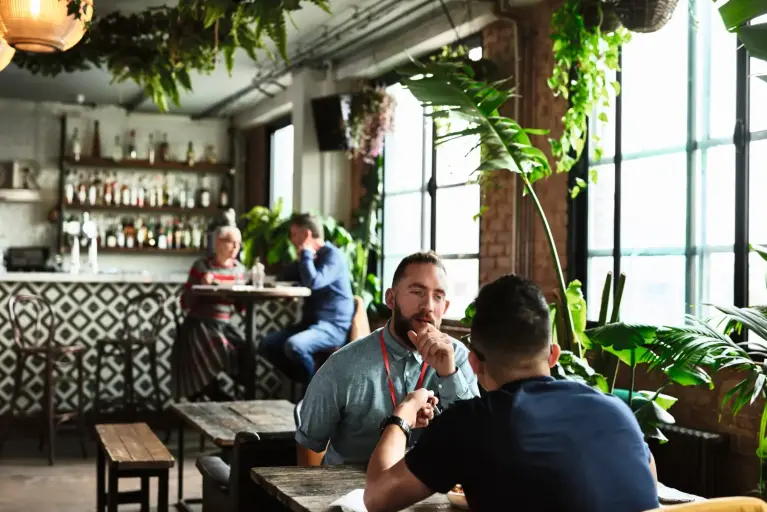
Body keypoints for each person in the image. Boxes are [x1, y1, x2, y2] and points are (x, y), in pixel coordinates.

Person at [363, 274, 660, 512]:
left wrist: (402, 415)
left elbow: (377, 498)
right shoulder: (618, 412)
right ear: (553, 355)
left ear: (475, 362)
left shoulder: (472, 424)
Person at [295, 251, 479, 465]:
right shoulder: (342, 366)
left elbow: (475, 440)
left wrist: (449, 374)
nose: (428, 306)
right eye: (417, 292)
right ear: (391, 299)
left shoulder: (458, 358)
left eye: (438, 296)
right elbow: (308, 446)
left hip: (431, 493)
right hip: (353, 493)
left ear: (445, 307)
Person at [258, 213, 355, 383]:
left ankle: (313, 394)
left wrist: (307, 255)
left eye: (294, 234)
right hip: (310, 325)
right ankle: (309, 385)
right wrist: (300, 260)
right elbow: (283, 276)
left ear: (307, 235)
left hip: (333, 326)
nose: (291, 239)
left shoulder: (334, 256)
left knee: (295, 346)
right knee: (267, 345)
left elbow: (314, 282)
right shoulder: (309, 258)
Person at [172, 225, 252, 402]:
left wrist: (248, 286)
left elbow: (241, 308)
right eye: (231, 242)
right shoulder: (201, 266)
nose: (236, 248)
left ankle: (244, 398)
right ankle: (214, 391)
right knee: (219, 346)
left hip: (224, 324)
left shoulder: (239, 270)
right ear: (218, 243)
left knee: (248, 350)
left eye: (239, 244)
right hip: (198, 325)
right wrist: (201, 285)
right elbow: (186, 303)